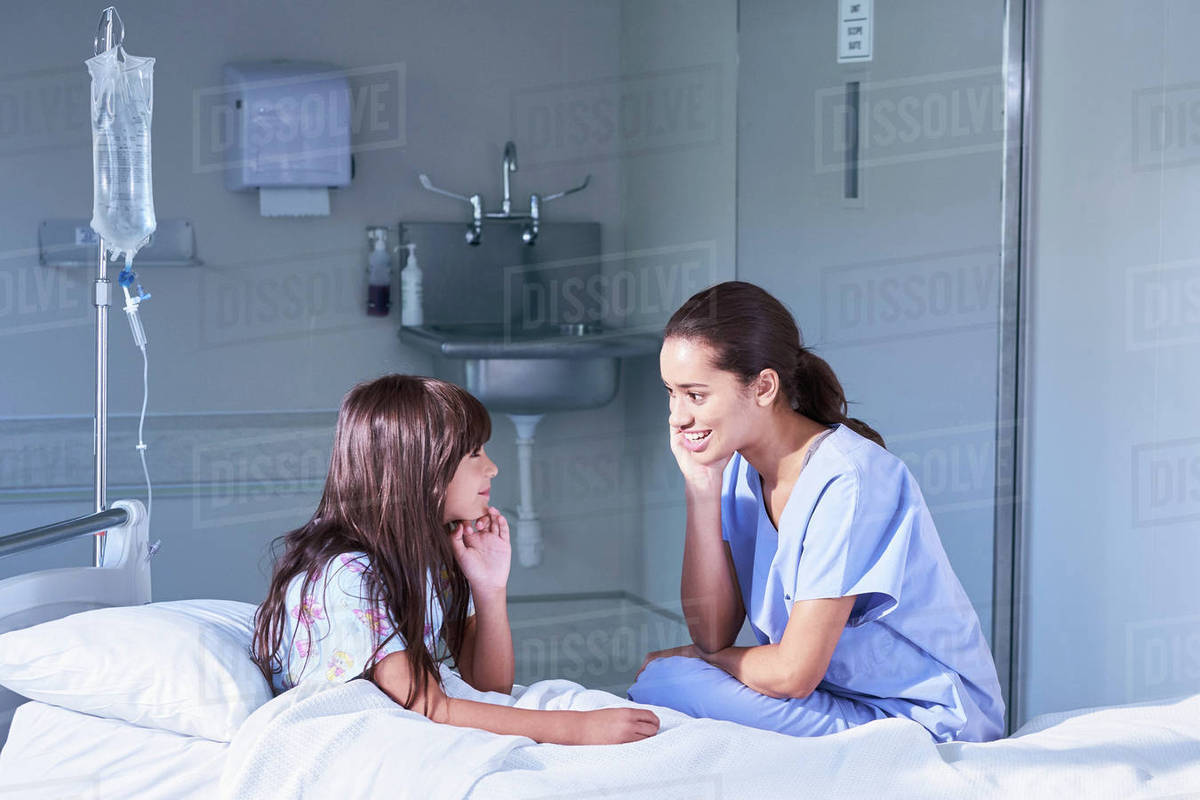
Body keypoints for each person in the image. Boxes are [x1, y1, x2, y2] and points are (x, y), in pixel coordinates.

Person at [626, 281, 1005, 743]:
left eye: (696, 395)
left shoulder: (849, 478)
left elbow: (791, 673)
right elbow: (712, 633)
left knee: (669, 680)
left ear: (763, 387)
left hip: (929, 719)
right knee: (665, 682)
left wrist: (701, 660)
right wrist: (701, 488)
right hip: (841, 697)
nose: (676, 416)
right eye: (671, 392)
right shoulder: (739, 471)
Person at [251, 374, 659, 746]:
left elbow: (490, 686)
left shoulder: (430, 558)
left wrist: (490, 588)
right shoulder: (349, 576)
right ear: (422, 471)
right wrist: (579, 730)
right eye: (475, 455)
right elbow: (428, 706)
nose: (493, 468)